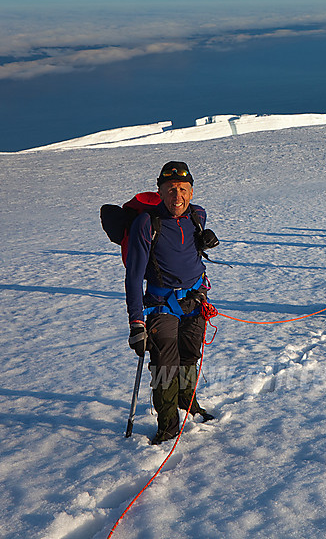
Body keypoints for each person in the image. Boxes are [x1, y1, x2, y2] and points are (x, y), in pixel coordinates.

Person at [125, 161, 215, 445]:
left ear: (191, 191)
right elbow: (134, 275)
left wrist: (204, 239)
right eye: (171, 189)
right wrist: (136, 322)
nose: (178, 196)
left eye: (183, 189)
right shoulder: (147, 224)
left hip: (195, 299)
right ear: (160, 191)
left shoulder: (197, 217)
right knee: (165, 365)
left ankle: (189, 404)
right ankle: (168, 427)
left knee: (190, 355)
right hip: (161, 304)